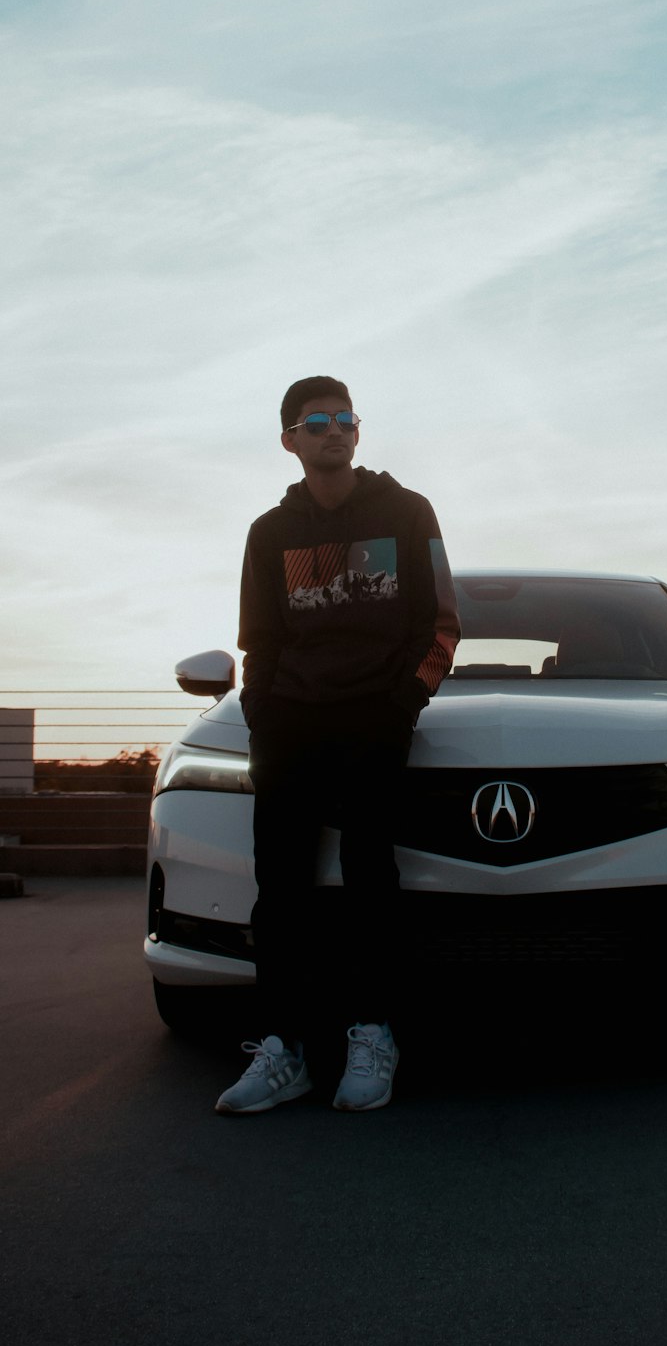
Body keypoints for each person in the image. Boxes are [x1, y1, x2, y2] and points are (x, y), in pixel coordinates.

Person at [215, 375, 460, 1115]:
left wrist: (403, 702)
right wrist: (264, 717)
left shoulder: (408, 512)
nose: (333, 430)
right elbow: (258, 640)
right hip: (290, 722)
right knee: (281, 888)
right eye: (315, 421)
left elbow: (442, 621)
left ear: (358, 430)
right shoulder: (270, 532)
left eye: (344, 418)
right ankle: (284, 1050)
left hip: (374, 720)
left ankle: (371, 1033)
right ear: (290, 439)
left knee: (368, 878)